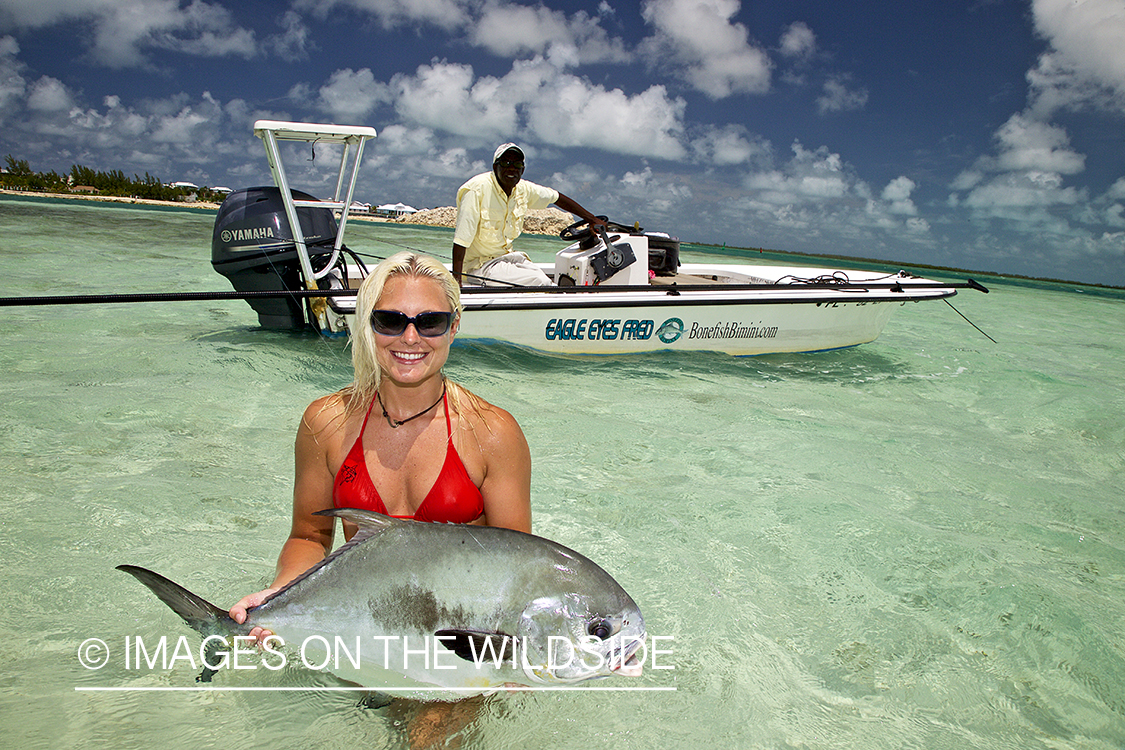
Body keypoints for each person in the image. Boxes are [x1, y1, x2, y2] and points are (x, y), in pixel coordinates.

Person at [230, 251, 533, 634]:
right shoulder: (325, 423)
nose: (410, 338)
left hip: (458, 641)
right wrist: (279, 593)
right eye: (389, 321)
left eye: (430, 322)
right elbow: (308, 536)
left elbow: (518, 566)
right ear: (367, 325)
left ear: (454, 327)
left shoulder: (492, 433)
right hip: (358, 629)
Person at [451, 142, 605, 286]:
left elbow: (556, 198)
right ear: (495, 166)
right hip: (477, 267)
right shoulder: (476, 189)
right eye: (506, 163)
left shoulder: (523, 189)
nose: (512, 168)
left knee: (545, 279)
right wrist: (457, 285)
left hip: (507, 259)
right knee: (540, 281)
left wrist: (591, 219)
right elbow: (461, 241)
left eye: (517, 164)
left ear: (523, 169)